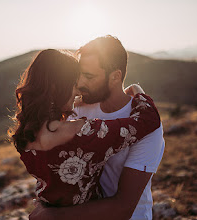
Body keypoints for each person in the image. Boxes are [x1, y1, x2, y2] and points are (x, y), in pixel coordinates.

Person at [9, 49, 161, 211]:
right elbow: (148, 119)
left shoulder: (25, 136)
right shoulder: (83, 133)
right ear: (55, 88)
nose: (78, 91)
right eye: (73, 84)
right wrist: (137, 90)